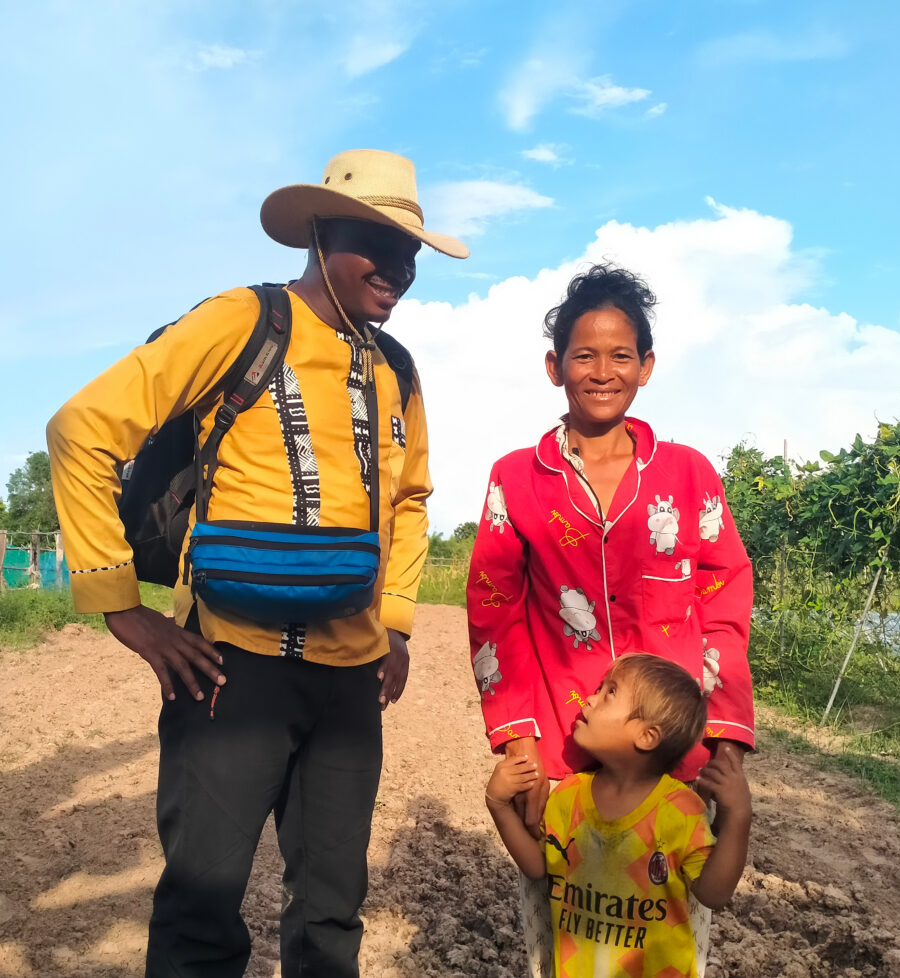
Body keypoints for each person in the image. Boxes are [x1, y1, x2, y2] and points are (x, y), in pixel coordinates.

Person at [46, 149, 468, 978]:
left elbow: (411, 501)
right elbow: (80, 430)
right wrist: (122, 608)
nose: (398, 269)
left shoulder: (398, 369)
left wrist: (396, 622)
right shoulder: (244, 322)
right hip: (229, 671)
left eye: (411, 254)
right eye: (374, 245)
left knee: (330, 914)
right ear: (317, 233)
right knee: (203, 907)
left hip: (350, 683)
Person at [467, 263, 754, 976]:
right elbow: (494, 610)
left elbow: (725, 598)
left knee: (671, 926)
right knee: (558, 930)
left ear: (647, 366)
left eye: (621, 354)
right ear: (554, 366)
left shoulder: (688, 476)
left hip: (672, 752)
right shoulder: (516, 478)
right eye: (583, 355)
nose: (602, 371)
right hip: (566, 759)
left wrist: (725, 739)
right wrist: (516, 745)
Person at [485, 653, 752, 978]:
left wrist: (739, 817)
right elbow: (538, 866)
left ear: (647, 735)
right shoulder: (568, 796)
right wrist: (498, 805)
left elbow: (714, 893)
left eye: (609, 692)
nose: (590, 699)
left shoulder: (680, 810)